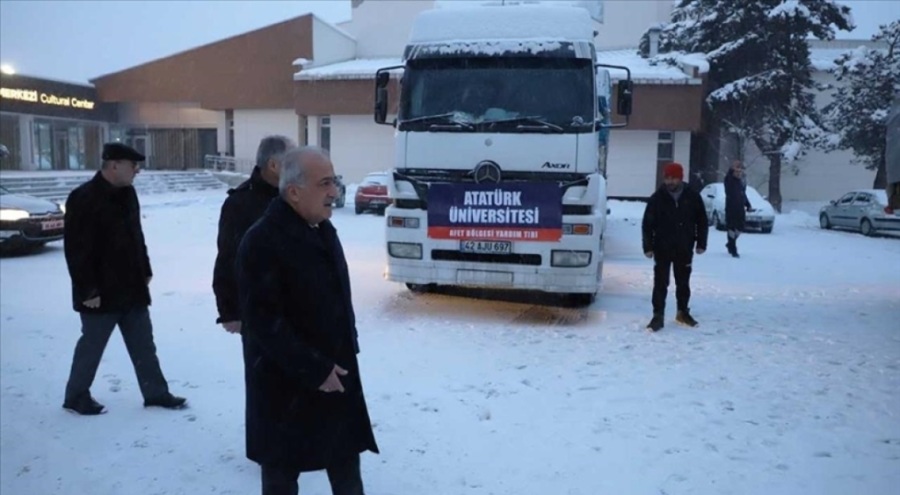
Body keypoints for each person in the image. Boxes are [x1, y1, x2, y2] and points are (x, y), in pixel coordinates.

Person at [236, 146, 379, 495]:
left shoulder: (322, 230)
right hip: (284, 387)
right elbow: (264, 323)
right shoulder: (262, 241)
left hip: (336, 375)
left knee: (346, 471)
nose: (334, 191)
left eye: (335, 181)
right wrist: (315, 369)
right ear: (294, 192)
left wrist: (344, 350)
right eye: (324, 183)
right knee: (281, 476)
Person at [62, 142, 186, 415]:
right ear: (114, 165)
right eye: (133, 165)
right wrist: (88, 290)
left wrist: (145, 269)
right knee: (92, 347)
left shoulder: (128, 193)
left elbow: (136, 236)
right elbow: (77, 251)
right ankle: (76, 396)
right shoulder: (83, 198)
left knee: (144, 345)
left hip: (132, 286)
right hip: (99, 293)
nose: (137, 170)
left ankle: (155, 393)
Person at [212, 135, 292, 334]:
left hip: (295, 305)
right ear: (273, 165)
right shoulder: (240, 204)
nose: (297, 167)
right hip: (259, 308)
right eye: (292, 161)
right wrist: (229, 310)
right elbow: (228, 258)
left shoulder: (294, 197)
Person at [642, 162, 709, 331]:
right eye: (667, 178)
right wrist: (648, 246)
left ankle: (682, 312)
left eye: (673, 178)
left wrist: (701, 243)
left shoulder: (692, 196)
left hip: (684, 247)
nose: (670, 181)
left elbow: (702, 221)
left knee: (683, 282)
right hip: (662, 247)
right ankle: (658, 315)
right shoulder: (657, 198)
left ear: (680, 178)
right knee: (660, 283)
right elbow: (647, 224)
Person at [724, 160, 752, 258]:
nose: (738, 173)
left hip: (740, 209)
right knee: (731, 228)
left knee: (740, 227)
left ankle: (730, 243)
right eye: (736, 171)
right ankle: (733, 248)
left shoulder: (740, 183)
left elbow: (743, 195)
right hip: (731, 208)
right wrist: (732, 169)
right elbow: (729, 177)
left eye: (740, 171)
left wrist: (748, 205)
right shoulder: (729, 180)